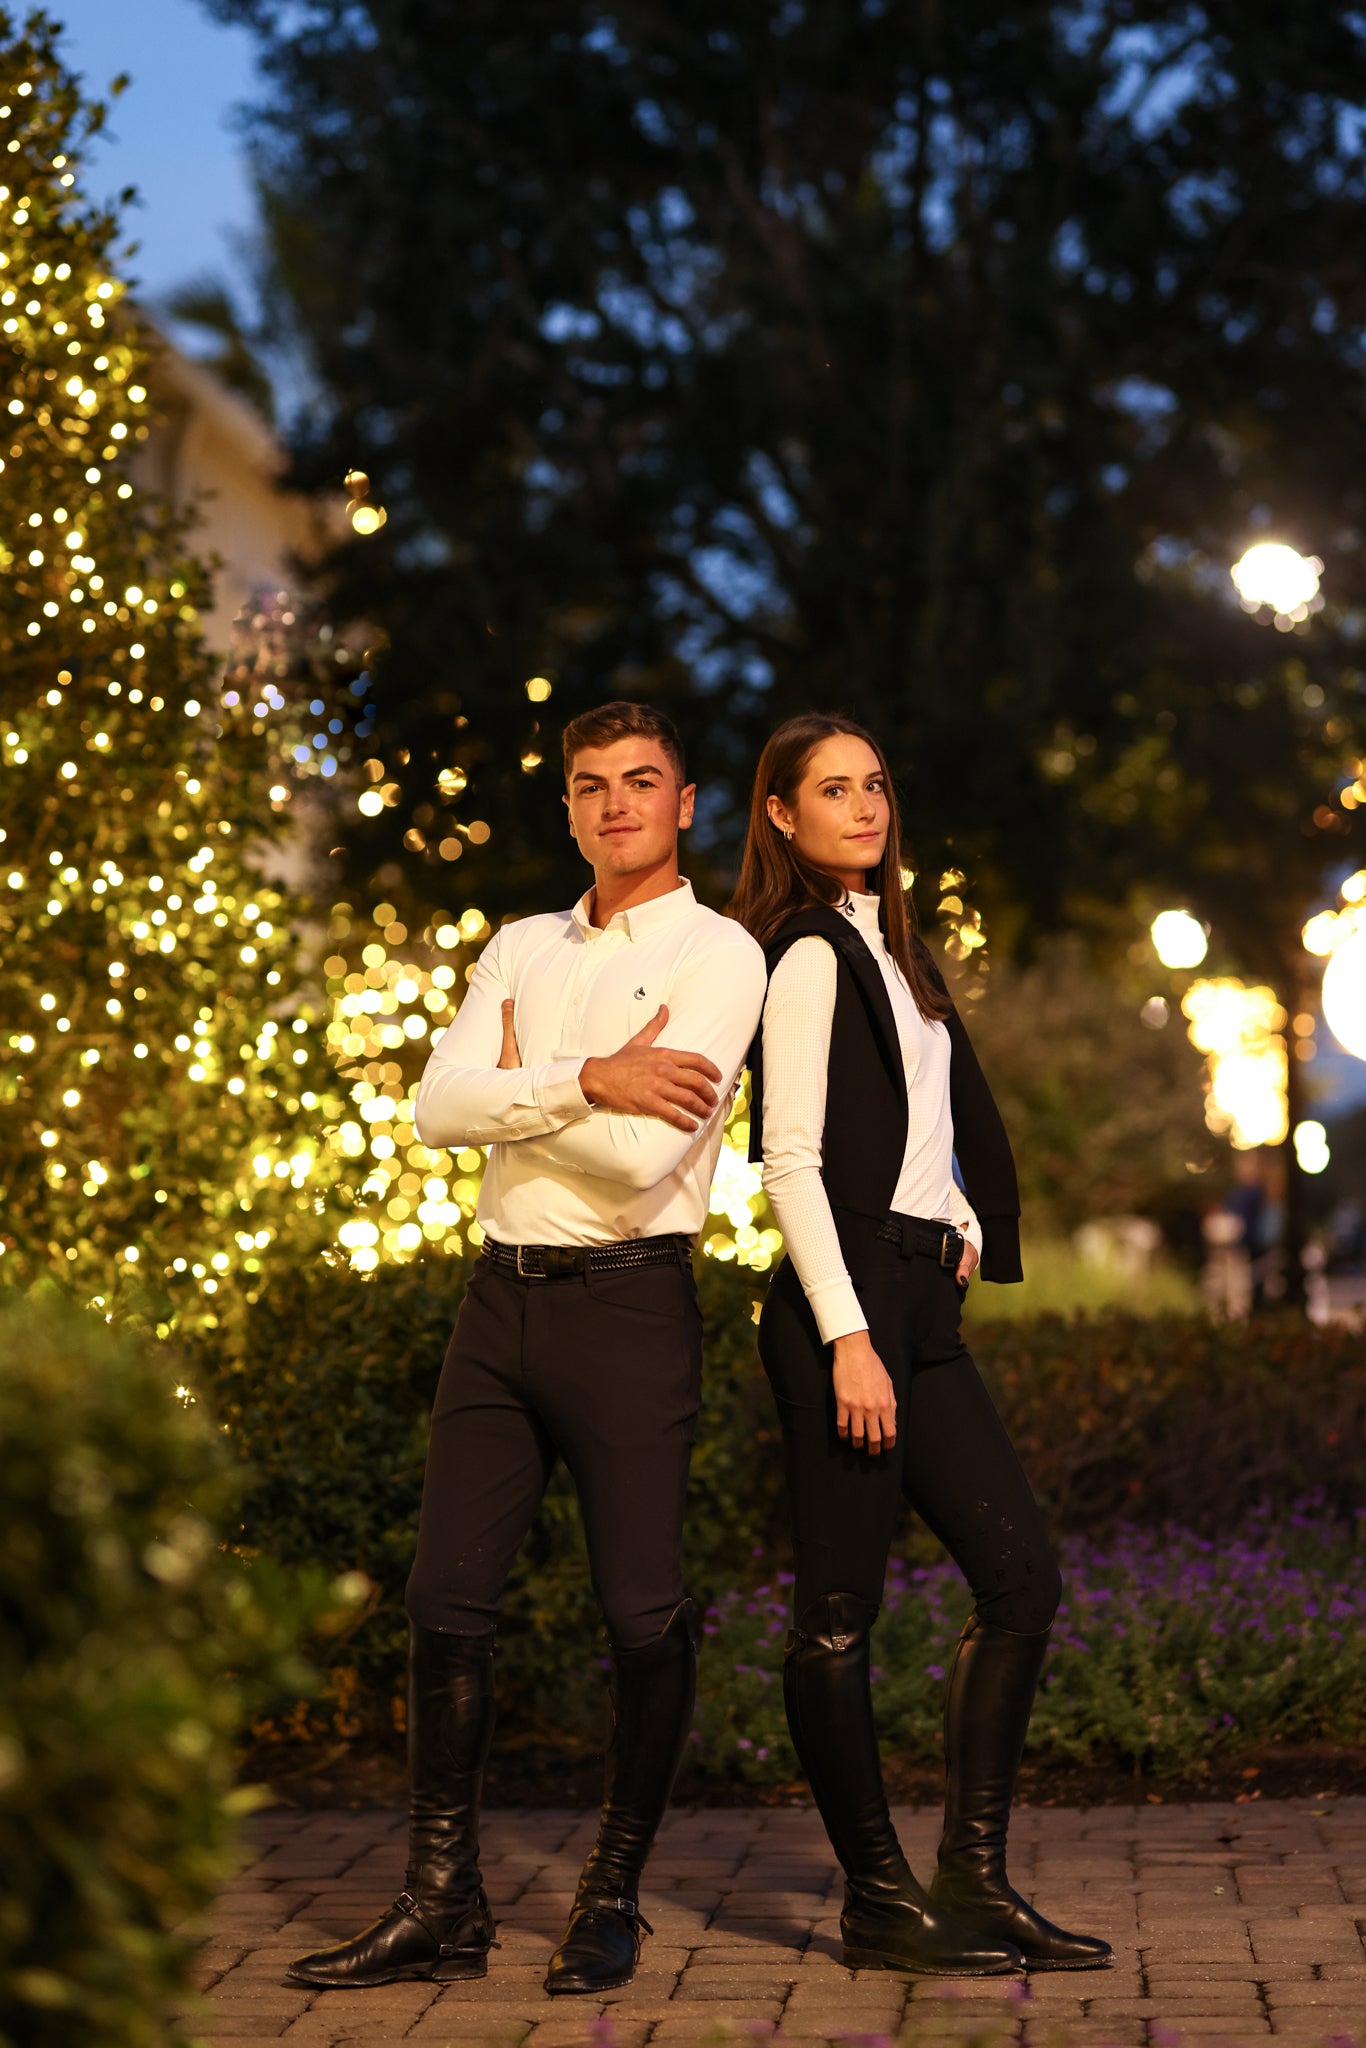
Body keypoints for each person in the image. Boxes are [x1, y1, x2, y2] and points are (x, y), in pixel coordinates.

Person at [289, 702, 767, 1997]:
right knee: (441, 1603)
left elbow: (639, 1158)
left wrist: (526, 1088)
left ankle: (611, 1898)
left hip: (628, 1305)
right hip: (494, 1306)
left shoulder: (723, 958)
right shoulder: (514, 943)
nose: (614, 803)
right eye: (590, 784)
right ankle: (441, 1901)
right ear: (566, 805)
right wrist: (586, 1076)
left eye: (641, 782)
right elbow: (432, 1110)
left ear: (682, 804)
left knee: (638, 1613)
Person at [729, 712, 1112, 1978]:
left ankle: (975, 1878)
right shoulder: (801, 954)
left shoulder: (893, 949)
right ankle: (877, 1897)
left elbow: (923, 1120)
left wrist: (952, 1218)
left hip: (914, 1301)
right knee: (836, 1617)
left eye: (875, 783)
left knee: (1021, 1579)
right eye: (831, 789)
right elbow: (787, 1158)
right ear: (780, 815)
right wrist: (847, 1335)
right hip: (839, 1309)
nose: (863, 804)